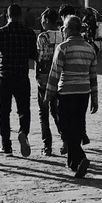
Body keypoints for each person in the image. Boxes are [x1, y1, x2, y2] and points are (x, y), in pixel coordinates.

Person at [46, 14, 99, 178]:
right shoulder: (90, 48)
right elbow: (93, 76)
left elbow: (55, 73)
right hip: (84, 93)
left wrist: (48, 94)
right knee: (77, 126)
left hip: (67, 93)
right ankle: (73, 163)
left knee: (66, 128)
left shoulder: (63, 47)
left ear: (69, 29)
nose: (62, 30)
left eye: (64, 27)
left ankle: (81, 157)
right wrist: (95, 97)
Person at [0, 2, 38, 157]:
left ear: (7, 16)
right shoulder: (29, 33)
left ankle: (6, 146)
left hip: (5, 76)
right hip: (22, 76)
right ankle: (23, 132)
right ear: (20, 16)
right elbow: (35, 56)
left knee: (4, 111)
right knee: (24, 110)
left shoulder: (0, 32)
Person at [34, 8, 64, 157]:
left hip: (45, 77)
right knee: (58, 110)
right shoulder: (63, 34)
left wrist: (37, 75)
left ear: (46, 21)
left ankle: (47, 145)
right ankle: (65, 138)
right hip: (61, 77)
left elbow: (40, 58)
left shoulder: (43, 37)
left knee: (43, 112)